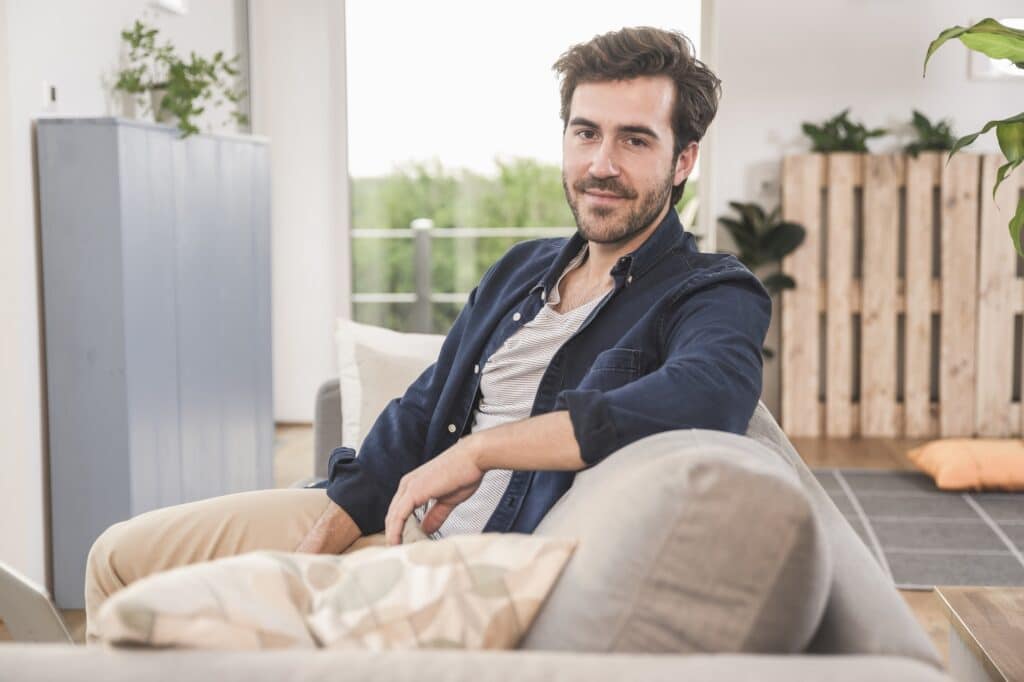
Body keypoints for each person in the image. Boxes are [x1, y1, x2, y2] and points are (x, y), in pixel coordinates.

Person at [84, 25, 771, 642]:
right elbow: (423, 406)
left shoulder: (709, 292)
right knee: (117, 558)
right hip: (381, 520)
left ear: (683, 161)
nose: (601, 164)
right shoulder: (522, 268)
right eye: (586, 132)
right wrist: (329, 527)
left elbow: (706, 394)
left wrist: (481, 451)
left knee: (189, 614)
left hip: (464, 573)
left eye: (635, 139)